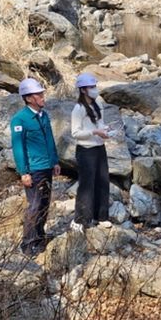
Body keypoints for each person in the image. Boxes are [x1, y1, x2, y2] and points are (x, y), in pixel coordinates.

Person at [10, 77, 61, 257]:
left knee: (45, 203)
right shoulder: (19, 120)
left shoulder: (43, 115)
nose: (42, 97)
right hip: (34, 169)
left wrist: (55, 161)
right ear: (29, 98)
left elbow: (50, 140)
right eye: (39, 94)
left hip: (46, 166)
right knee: (35, 205)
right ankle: (28, 244)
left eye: (42, 93)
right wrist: (23, 172)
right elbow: (18, 148)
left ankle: (39, 237)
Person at [71, 72, 112, 233]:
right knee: (86, 185)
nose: (94, 89)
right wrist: (94, 132)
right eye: (91, 87)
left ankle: (101, 216)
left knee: (103, 181)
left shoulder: (97, 104)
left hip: (99, 147)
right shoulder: (78, 109)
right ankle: (81, 219)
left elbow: (100, 123)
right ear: (83, 90)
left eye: (95, 86)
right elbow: (75, 133)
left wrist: (105, 130)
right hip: (86, 150)